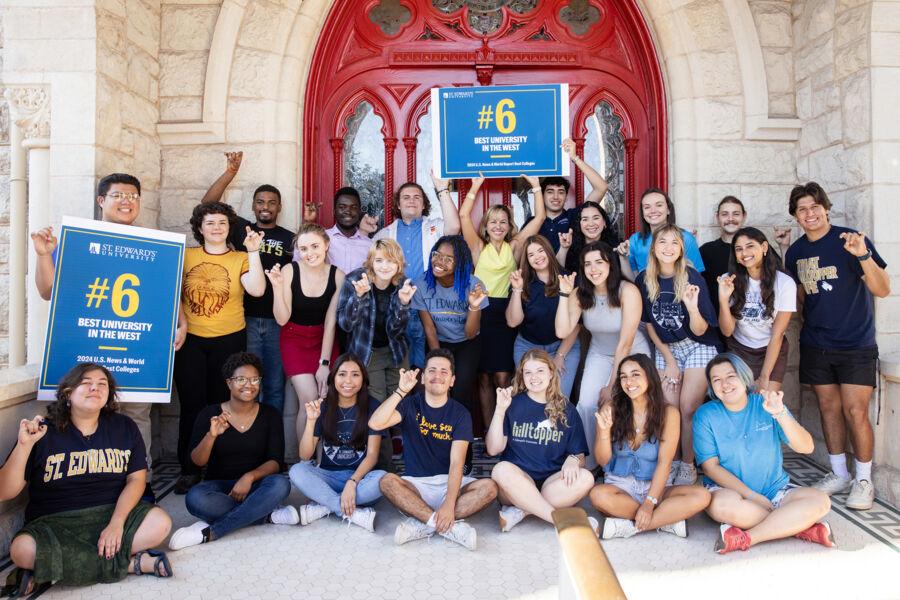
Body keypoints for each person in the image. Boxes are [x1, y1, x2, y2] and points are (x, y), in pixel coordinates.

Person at [31, 173, 170, 476]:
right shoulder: (76, 240)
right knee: (89, 415)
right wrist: (43, 255)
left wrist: (180, 323)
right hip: (89, 352)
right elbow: (47, 291)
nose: (126, 202)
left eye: (133, 196)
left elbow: (166, 292)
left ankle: (139, 486)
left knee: (137, 416)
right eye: (119, 195)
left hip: (137, 352)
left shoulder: (154, 245)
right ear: (101, 200)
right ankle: (94, 486)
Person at [0, 363, 172, 594]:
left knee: (161, 524)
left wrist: (116, 524)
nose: (95, 388)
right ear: (68, 393)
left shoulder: (124, 427)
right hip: (56, 522)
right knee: (22, 551)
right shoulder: (42, 431)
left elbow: (136, 481)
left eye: (102, 384)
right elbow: (5, 492)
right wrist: (24, 446)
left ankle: (52, 570)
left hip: (112, 512)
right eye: (86, 383)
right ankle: (132, 564)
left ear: (109, 395)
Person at [784, 182, 890, 510]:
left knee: (855, 410)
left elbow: (882, 289)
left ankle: (863, 479)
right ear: (796, 216)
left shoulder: (851, 240)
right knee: (828, 409)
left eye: (815, 206)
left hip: (855, 342)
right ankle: (839, 473)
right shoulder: (796, 252)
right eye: (802, 209)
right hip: (816, 343)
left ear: (826, 208)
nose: (810, 213)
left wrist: (864, 255)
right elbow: (800, 299)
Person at [695, 353, 836, 553]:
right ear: (711, 387)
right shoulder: (705, 414)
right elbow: (710, 468)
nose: (724, 384)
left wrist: (780, 413)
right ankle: (797, 526)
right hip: (731, 493)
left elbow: (807, 447)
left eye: (730, 376)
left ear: (744, 377)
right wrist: (751, 496)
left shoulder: (766, 404)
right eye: (716, 380)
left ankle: (749, 538)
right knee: (722, 508)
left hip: (775, 490)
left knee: (821, 501)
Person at [173, 201, 266, 494]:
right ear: (200, 228)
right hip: (191, 341)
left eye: (222, 223)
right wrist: (182, 321)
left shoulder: (240, 258)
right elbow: (171, 290)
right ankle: (189, 469)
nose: (216, 228)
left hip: (229, 339)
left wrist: (253, 252)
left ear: (230, 228)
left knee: (222, 405)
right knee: (191, 406)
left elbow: (257, 289)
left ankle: (216, 467)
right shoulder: (186, 256)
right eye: (210, 223)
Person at [370, 349, 498, 550]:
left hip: (450, 483)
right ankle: (442, 525)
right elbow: (376, 423)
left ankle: (424, 521)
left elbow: (457, 462)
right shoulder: (410, 405)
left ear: (452, 380)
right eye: (432, 370)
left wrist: (449, 503)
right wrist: (401, 391)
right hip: (417, 486)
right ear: (422, 378)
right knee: (386, 481)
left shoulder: (460, 413)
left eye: (444, 371)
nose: (437, 375)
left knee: (489, 488)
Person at [169, 352, 295, 550]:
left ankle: (214, 531)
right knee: (195, 498)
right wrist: (212, 435)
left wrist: (249, 477)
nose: (249, 385)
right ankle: (266, 514)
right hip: (221, 489)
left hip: (256, 486)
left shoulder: (270, 414)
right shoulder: (210, 413)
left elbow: (275, 462)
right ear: (229, 383)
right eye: (241, 379)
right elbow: (195, 463)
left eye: (255, 379)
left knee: (280, 484)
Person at [201, 151, 296, 414]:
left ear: (279, 207)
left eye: (272, 202)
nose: (266, 206)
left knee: (275, 384)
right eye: (260, 202)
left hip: (277, 322)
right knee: (248, 383)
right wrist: (230, 173)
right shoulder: (242, 228)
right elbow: (207, 204)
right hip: (247, 320)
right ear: (253, 207)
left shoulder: (290, 238)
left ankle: (272, 446)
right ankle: (248, 437)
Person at [590, 354, 711, 539]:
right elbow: (603, 460)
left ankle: (631, 526)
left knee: (702, 496)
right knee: (598, 495)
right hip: (621, 486)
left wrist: (649, 502)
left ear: (650, 376)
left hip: (657, 487)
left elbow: (665, 463)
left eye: (635, 374)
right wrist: (604, 432)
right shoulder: (611, 408)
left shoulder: (669, 413)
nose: (628, 381)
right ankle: (666, 521)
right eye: (623, 376)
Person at [460, 174, 545, 431]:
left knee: (503, 377)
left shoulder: (515, 246)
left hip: (504, 314)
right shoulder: (477, 247)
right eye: (493, 221)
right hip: (480, 313)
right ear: (486, 226)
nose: (498, 226)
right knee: (483, 378)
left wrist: (536, 186)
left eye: (503, 222)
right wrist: (475, 187)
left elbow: (539, 218)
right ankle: (489, 434)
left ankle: (508, 431)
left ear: (510, 227)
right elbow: (464, 216)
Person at [636, 225, 719, 486]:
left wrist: (692, 309)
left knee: (688, 407)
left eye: (675, 243)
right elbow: (649, 324)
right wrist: (669, 360)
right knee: (669, 408)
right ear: (654, 248)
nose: (668, 248)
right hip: (667, 347)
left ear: (682, 248)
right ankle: (670, 461)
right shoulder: (644, 279)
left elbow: (701, 328)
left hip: (697, 344)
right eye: (663, 242)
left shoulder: (692, 276)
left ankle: (687, 464)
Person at [555, 242, 651, 467]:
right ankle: (589, 462)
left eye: (599, 262)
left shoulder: (627, 291)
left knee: (625, 402)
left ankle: (626, 459)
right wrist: (563, 295)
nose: (593, 269)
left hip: (632, 354)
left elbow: (625, 344)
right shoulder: (581, 294)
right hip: (599, 353)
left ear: (611, 264)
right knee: (587, 404)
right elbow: (562, 330)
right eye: (587, 264)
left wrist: (611, 384)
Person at [486, 350, 594, 532]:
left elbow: (580, 456)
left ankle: (522, 511)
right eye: (528, 372)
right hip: (516, 483)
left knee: (586, 478)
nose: (534, 377)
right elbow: (493, 449)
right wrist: (499, 410)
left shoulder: (567, 409)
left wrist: (574, 459)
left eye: (540, 371)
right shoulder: (512, 404)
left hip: (551, 485)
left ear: (551, 373)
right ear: (522, 376)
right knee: (500, 469)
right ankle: (560, 520)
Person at [289, 354, 387, 532]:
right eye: (342, 374)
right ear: (333, 378)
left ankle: (325, 505)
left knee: (382, 479)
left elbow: (372, 455)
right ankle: (348, 511)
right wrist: (311, 421)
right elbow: (304, 455)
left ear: (363, 378)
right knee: (297, 470)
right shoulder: (324, 406)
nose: (348, 380)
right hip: (329, 477)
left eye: (355, 375)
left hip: (361, 479)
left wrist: (352, 482)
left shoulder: (373, 406)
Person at [374, 174, 462, 369]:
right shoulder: (384, 234)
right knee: (400, 363)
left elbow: (455, 226)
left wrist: (442, 189)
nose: (411, 200)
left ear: (424, 204)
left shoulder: (434, 227)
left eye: (417, 197)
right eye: (406, 197)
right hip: (397, 306)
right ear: (398, 204)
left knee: (425, 363)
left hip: (429, 305)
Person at [267, 223, 344, 440]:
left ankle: (322, 461)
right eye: (303, 249)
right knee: (309, 399)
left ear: (326, 245)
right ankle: (304, 461)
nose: (309, 253)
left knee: (326, 400)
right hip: (294, 339)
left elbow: (331, 323)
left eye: (314, 246)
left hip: (324, 341)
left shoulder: (338, 276)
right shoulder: (290, 270)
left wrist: (324, 363)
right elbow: (282, 319)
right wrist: (276, 287)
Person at [411, 235, 489, 412]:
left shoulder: (474, 286)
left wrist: (474, 306)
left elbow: (470, 334)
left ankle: (461, 437)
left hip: (467, 343)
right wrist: (439, 359)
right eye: (437, 255)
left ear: (459, 263)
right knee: (438, 387)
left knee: (460, 390)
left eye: (448, 259)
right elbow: (429, 328)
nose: (439, 262)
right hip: (439, 341)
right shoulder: (422, 284)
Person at [337, 240, 417, 402]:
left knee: (401, 401)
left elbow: (397, 330)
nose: (385, 266)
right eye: (379, 260)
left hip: (395, 351)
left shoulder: (403, 284)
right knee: (377, 402)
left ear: (399, 264)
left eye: (391, 261)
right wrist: (359, 297)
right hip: (368, 351)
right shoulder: (354, 279)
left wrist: (403, 304)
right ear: (371, 262)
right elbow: (345, 325)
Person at [717, 227, 796, 391]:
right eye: (739, 249)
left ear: (764, 247)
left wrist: (764, 376)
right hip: (739, 348)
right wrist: (724, 300)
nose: (744, 252)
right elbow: (727, 331)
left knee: (765, 402)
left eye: (750, 246)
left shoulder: (785, 283)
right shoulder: (728, 280)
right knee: (741, 402)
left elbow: (778, 334)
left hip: (771, 349)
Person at [506, 235, 580, 398]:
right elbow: (512, 322)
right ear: (527, 260)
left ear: (549, 251)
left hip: (563, 347)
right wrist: (517, 290)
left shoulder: (568, 279)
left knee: (559, 398)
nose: (537, 257)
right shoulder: (522, 282)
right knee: (530, 398)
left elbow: (576, 326)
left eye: (540, 251)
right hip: (528, 346)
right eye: (531, 255)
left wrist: (560, 356)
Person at [525, 137, 609, 253]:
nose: (556, 197)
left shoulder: (574, 216)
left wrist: (575, 158)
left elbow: (601, 188)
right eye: (550, 192)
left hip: (572, 271)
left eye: (561, 192)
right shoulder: (533, 222)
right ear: (542, 195)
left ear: (566, 197)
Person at [618, 188, 705, 279]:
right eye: (647, 207)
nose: (653, 210)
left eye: (659, 205)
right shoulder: (635, 240)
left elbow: (696, 278)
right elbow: (634, 279)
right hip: (643, 292)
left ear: (668, 210)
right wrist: (623, 258)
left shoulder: (686, 238)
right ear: (643, 213)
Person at [699, 196, 746, 313]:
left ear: (744, 216)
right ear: (717, 217)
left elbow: (779, 277)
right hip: (716, 323)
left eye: (736, 214)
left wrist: (783, 247)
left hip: (750, 325)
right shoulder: (706, 251)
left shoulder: (755, 249)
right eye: (725, 214)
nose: (730, 219)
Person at [323, 187, 378, 274]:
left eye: (353, 207)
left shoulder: (370, 245)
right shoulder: (322, 238)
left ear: (359, 211)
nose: (348, 211)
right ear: (334, 211)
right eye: (342, 207)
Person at [556, 200, 621, 274]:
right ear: (579, 224)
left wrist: (623, 257)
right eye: (585, 219)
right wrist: (564, 249)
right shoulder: (571, 247)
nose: (591, 224)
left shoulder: (616, 248)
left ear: (604, 222)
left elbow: (627, 278)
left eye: (596, 218)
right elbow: (557, 275)